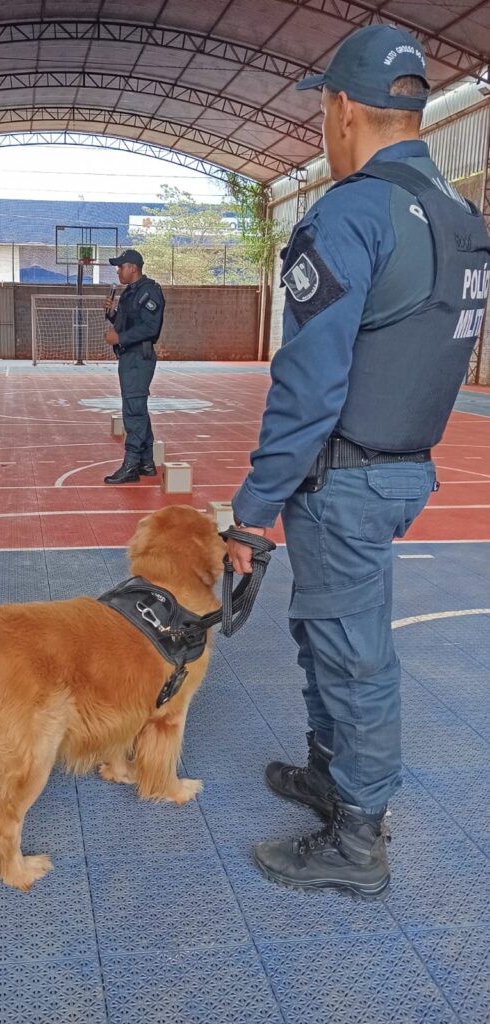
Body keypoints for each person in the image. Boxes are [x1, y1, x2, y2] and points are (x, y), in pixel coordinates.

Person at [225, 24, 490, 900]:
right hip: (402, 464)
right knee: (328, 634)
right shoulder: (457, 216)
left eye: (324, 110)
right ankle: (331, 780)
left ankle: (355, 837)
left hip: (342, 475)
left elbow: (306, 383)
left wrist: (254, 507)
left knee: (351, 653)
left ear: (342, 109)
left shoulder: (349, 213)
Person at [102, 249, 165, 484]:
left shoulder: (150, 291)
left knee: (133, 411)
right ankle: (146, 462)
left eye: (121, 267)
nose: (118, 271)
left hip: (139, 357)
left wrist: (120, 339)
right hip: (130, 357)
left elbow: (151, 328)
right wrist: (112, 313)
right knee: (136, 407)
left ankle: (131, 465)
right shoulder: (130, 292)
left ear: (133, 268)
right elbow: (127, 323)